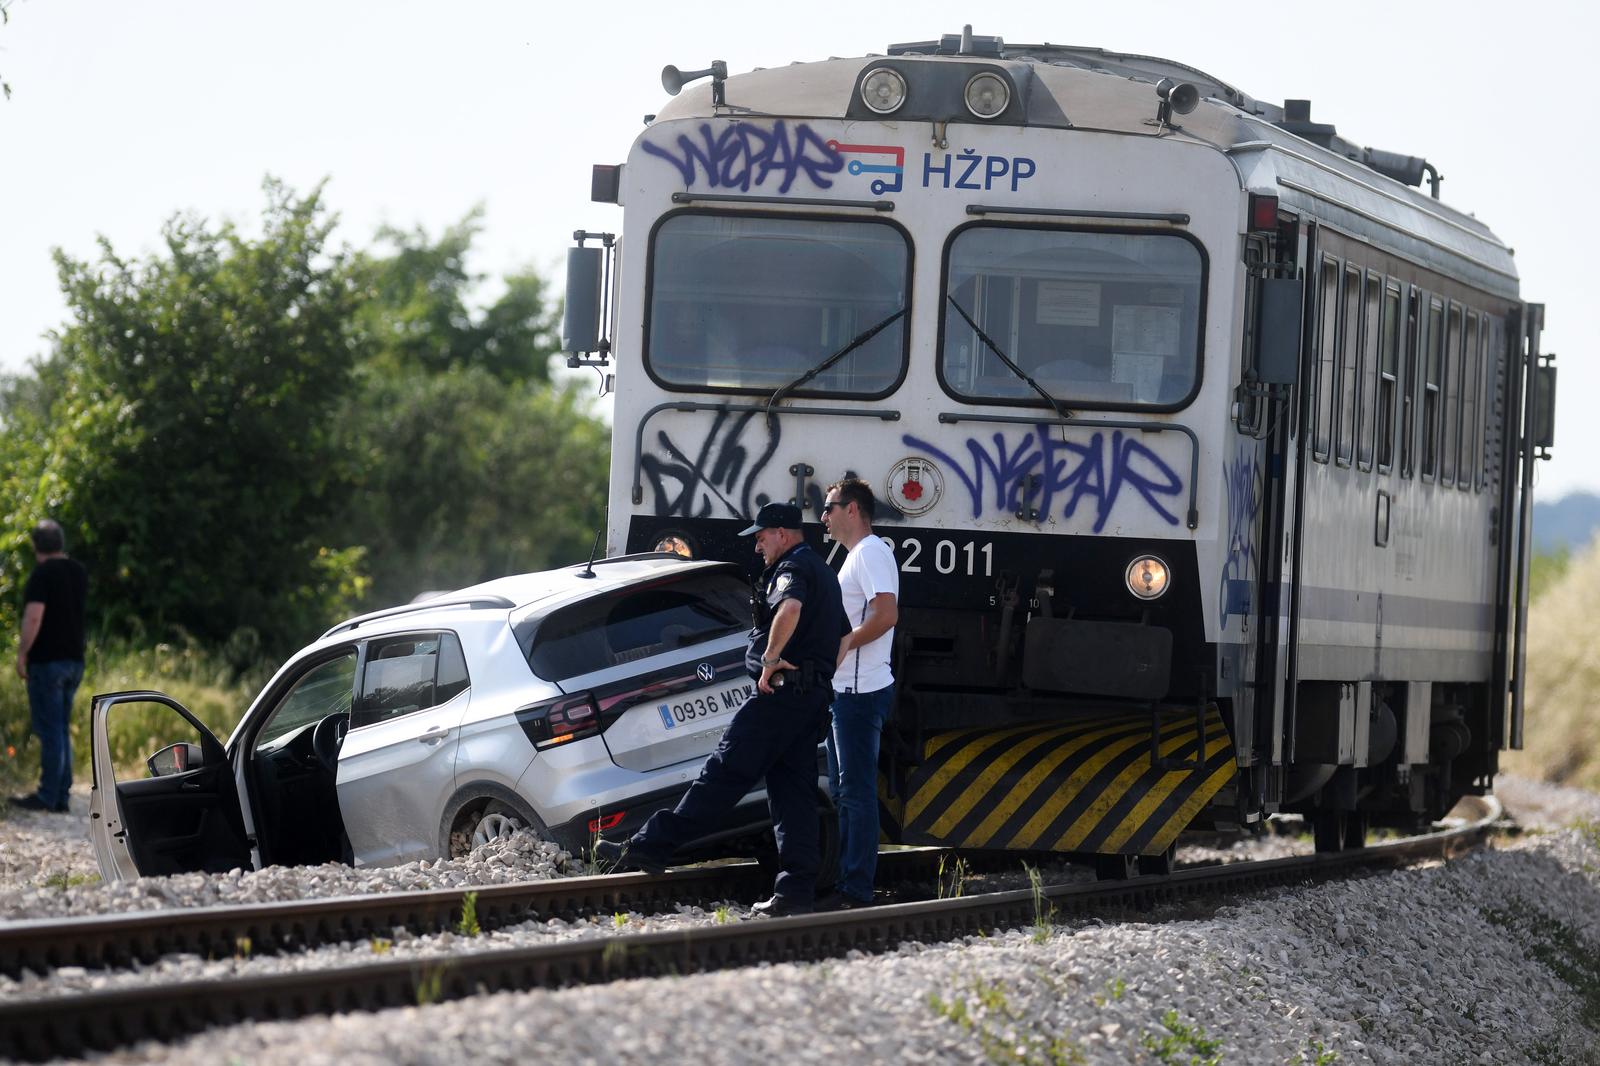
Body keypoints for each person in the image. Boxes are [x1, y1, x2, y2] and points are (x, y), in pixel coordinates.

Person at [595, 501, 846, 916]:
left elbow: (791, 608)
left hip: (779, 698)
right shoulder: (823, 572)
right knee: (794, 797)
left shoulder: (793, 570)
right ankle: (795, 892)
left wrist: (769, 662)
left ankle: (649, 848)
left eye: (762, 537)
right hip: (809, 700)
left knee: (723, 774)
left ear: (782, 533)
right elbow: (841, 636)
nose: (758, 546)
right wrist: (817, 680)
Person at [819, 478, 899, 908]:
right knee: (846, 792)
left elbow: (887, 613)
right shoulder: (858, 556)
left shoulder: (869, 553)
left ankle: (856, 888)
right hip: (846, 689)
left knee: (857, 791)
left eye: (829, 508)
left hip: (858, 689)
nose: (824, 518)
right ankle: (849, 885)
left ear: (853, 510)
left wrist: (848, 640)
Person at [12, 520, 88, 813]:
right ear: (61, 542)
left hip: (47, 662)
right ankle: (61, 796)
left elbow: (33, 618)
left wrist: (22, 654)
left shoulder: (42, 574)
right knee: (62, 728)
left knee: (50, 729)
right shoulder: (78, 572)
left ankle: (46, 794)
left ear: (35, 546)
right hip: (75, 661)